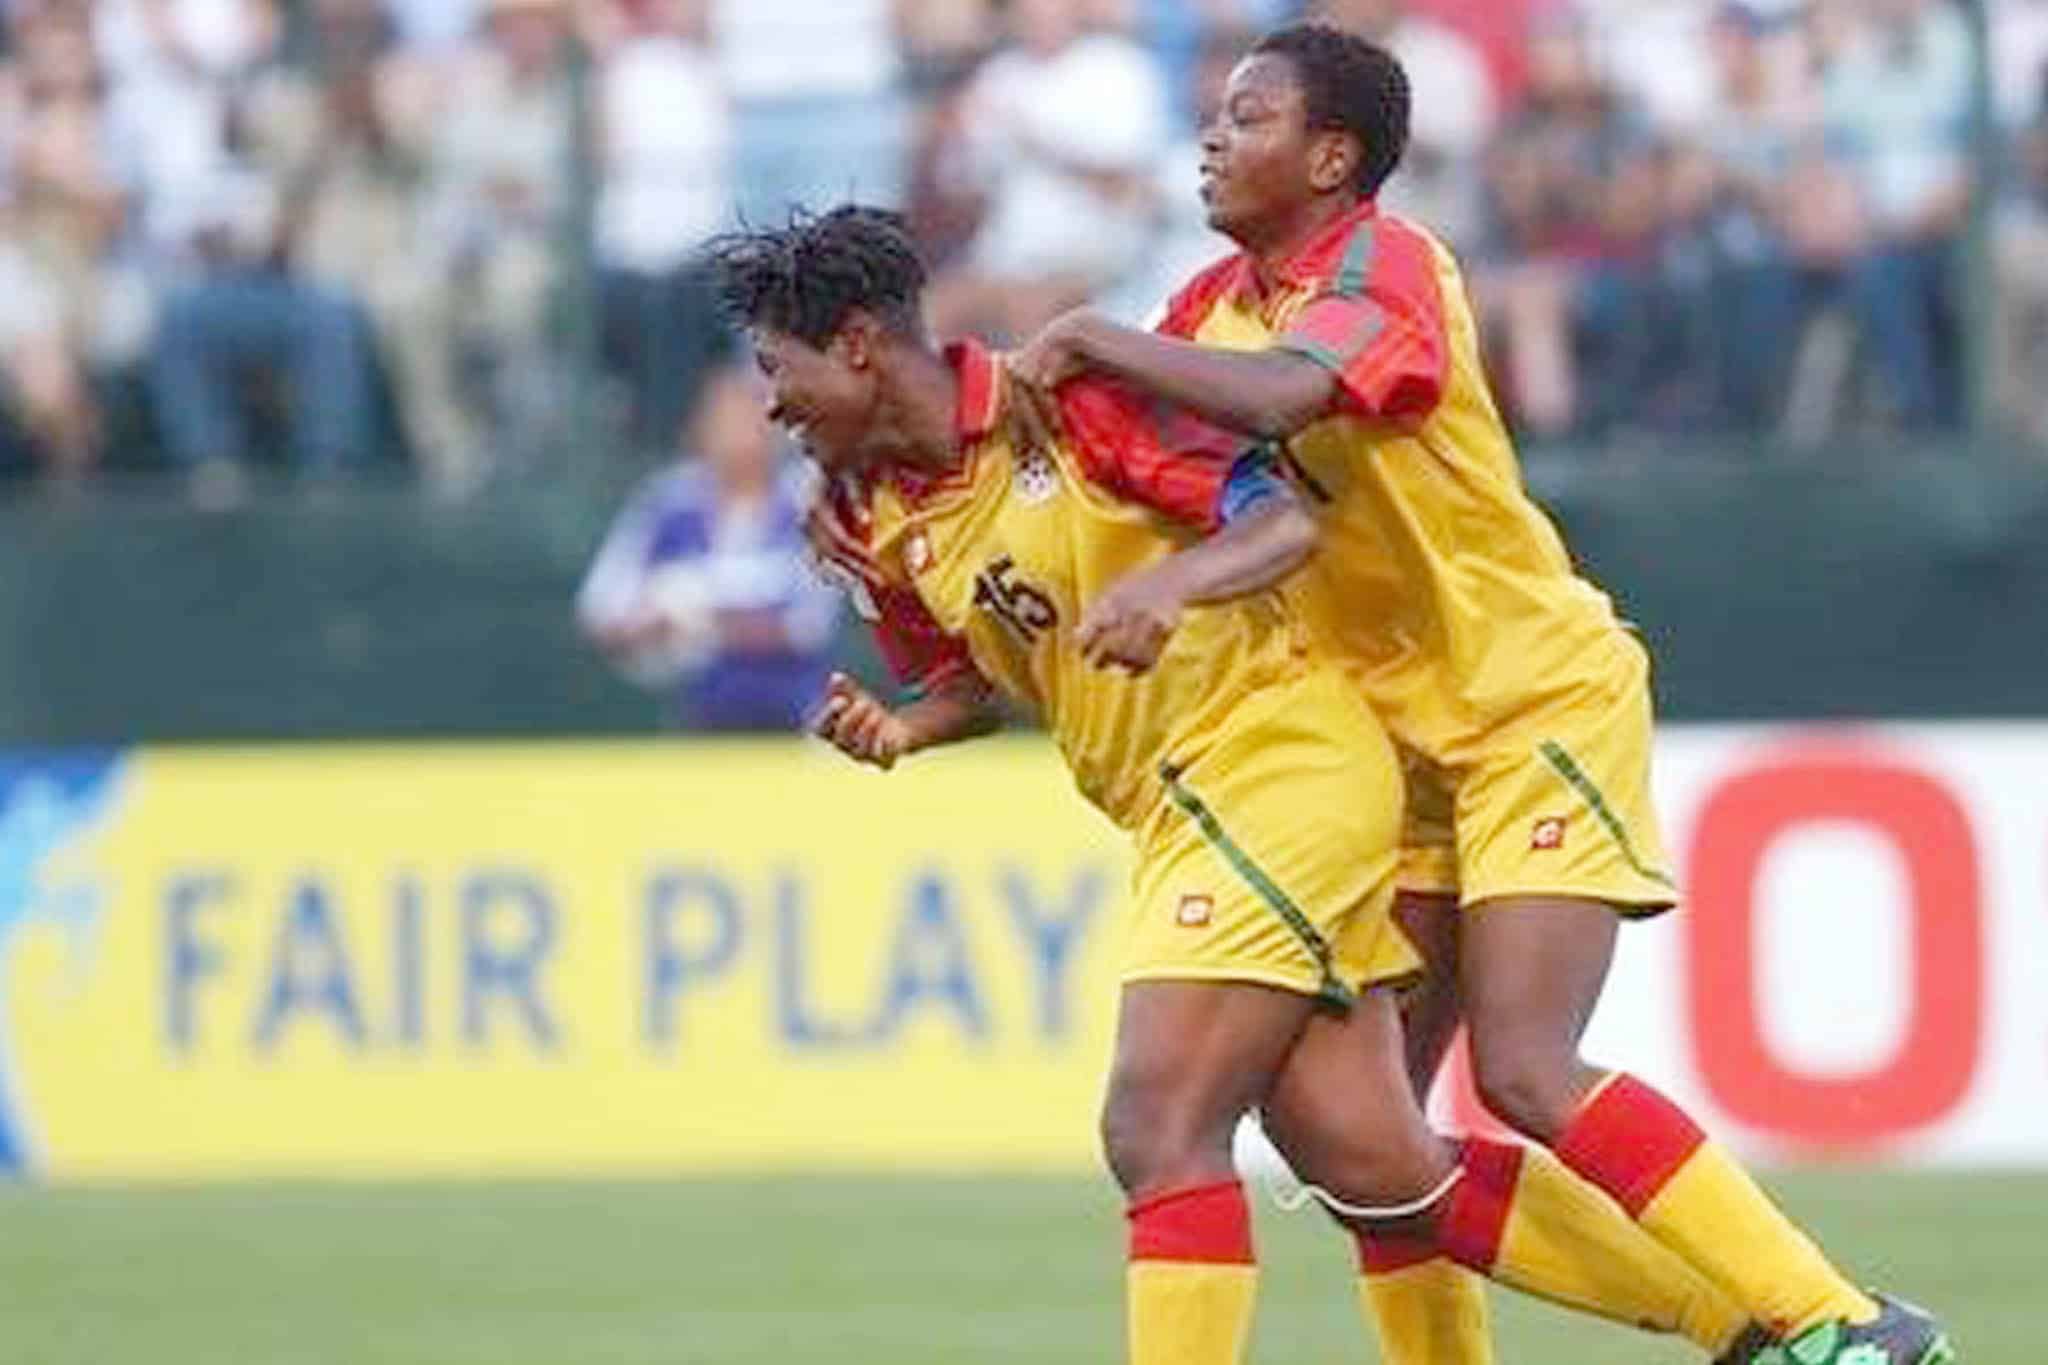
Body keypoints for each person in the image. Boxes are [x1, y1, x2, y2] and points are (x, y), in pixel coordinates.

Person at [1013, 23, 1952, 1365]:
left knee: (1523, 1067)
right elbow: (1131, 450)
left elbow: (1284, 398)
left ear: (1332, 155)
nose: (1212, 138)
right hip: (1382, 744)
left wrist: (1091, 338)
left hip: (1522, 702)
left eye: (1249, 116)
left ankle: (1838, 1326)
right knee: (1366, 1137)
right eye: (1216, 116)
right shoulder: (1205, 307)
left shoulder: (1388, 267)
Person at [710, 205, 1786, 1365]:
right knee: (1370, 1163)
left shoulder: (1066, 405)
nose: (771, 404)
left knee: (1157, 1122)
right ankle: (1752, 1330)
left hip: (1269, 756)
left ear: (861, 345)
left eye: (780, 368)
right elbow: (971, 683)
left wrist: (1173, 594)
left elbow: (1278, 526)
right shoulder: (861, 519)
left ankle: (1792, 1313)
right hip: (1175, 806)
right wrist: (905, 727)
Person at [577, 365, 839, 731]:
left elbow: (807, 624)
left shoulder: (806, 502)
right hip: (695, 718)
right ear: (701, 427)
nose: (740, 434)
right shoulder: (667, 504)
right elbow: (603, 611)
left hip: (797, 719)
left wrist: (704, 621)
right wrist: (656, 621)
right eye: (726, 419)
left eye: (753, 417)